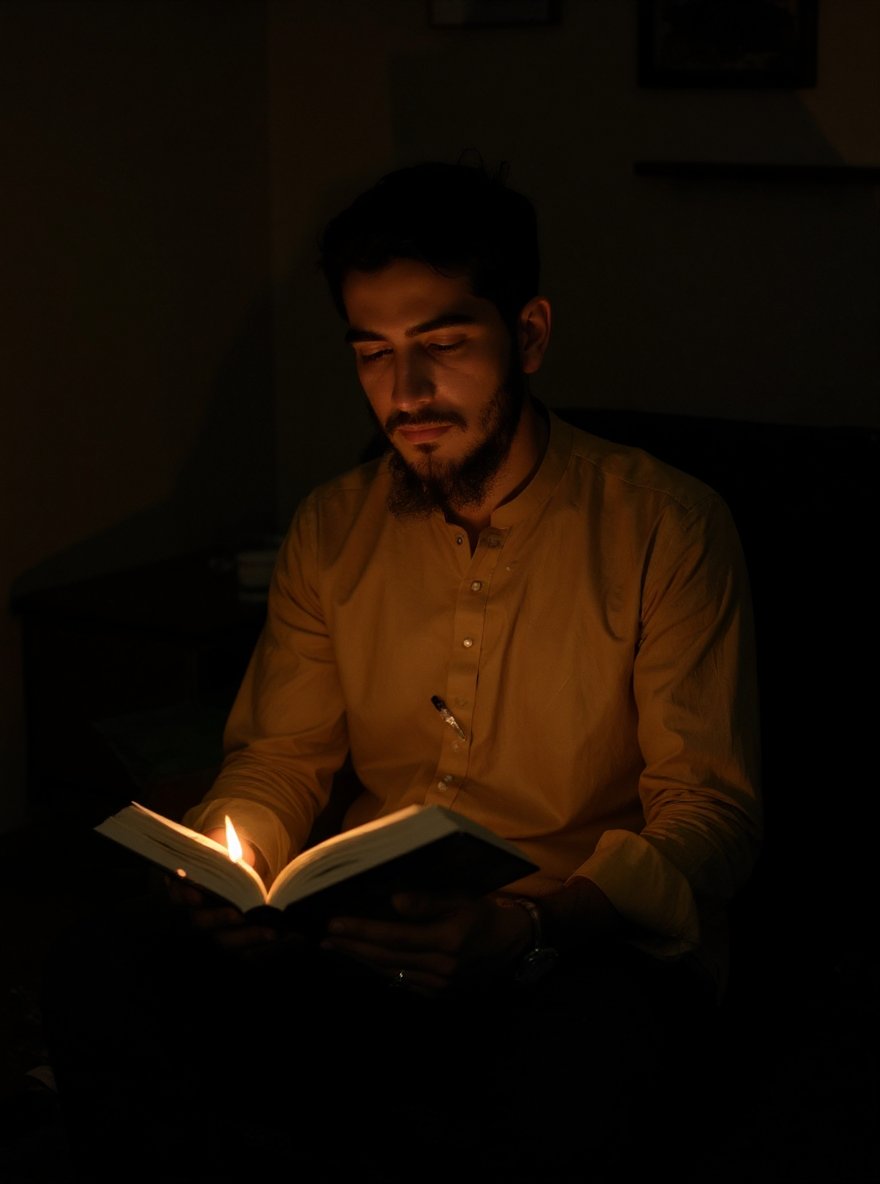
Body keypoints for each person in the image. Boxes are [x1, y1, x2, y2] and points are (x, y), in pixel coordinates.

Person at [42, 159, 762, 1181]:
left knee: (574, 1068)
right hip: (364, 925)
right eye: (373, 353)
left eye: (443, 345)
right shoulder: (334, 524)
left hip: (568, 929)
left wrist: (527, 922)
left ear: (529, 335)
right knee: (101, 970)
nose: (406, 391)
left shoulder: (664, 525)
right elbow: (281, 755)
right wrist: (222, 866)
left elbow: (710, 814)